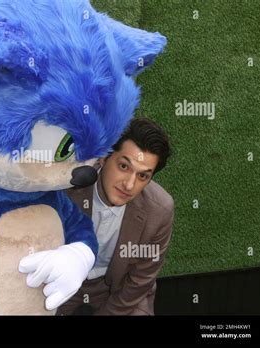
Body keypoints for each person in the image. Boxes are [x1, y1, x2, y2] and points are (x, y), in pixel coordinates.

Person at [57, 117, 173, 315]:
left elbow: (139, 281)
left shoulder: (160, 210)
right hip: (60, 284)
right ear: (103, 157)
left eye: (143, 176)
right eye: (124, 166)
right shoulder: (65, 186)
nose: (129, 185)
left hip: (120, 290)